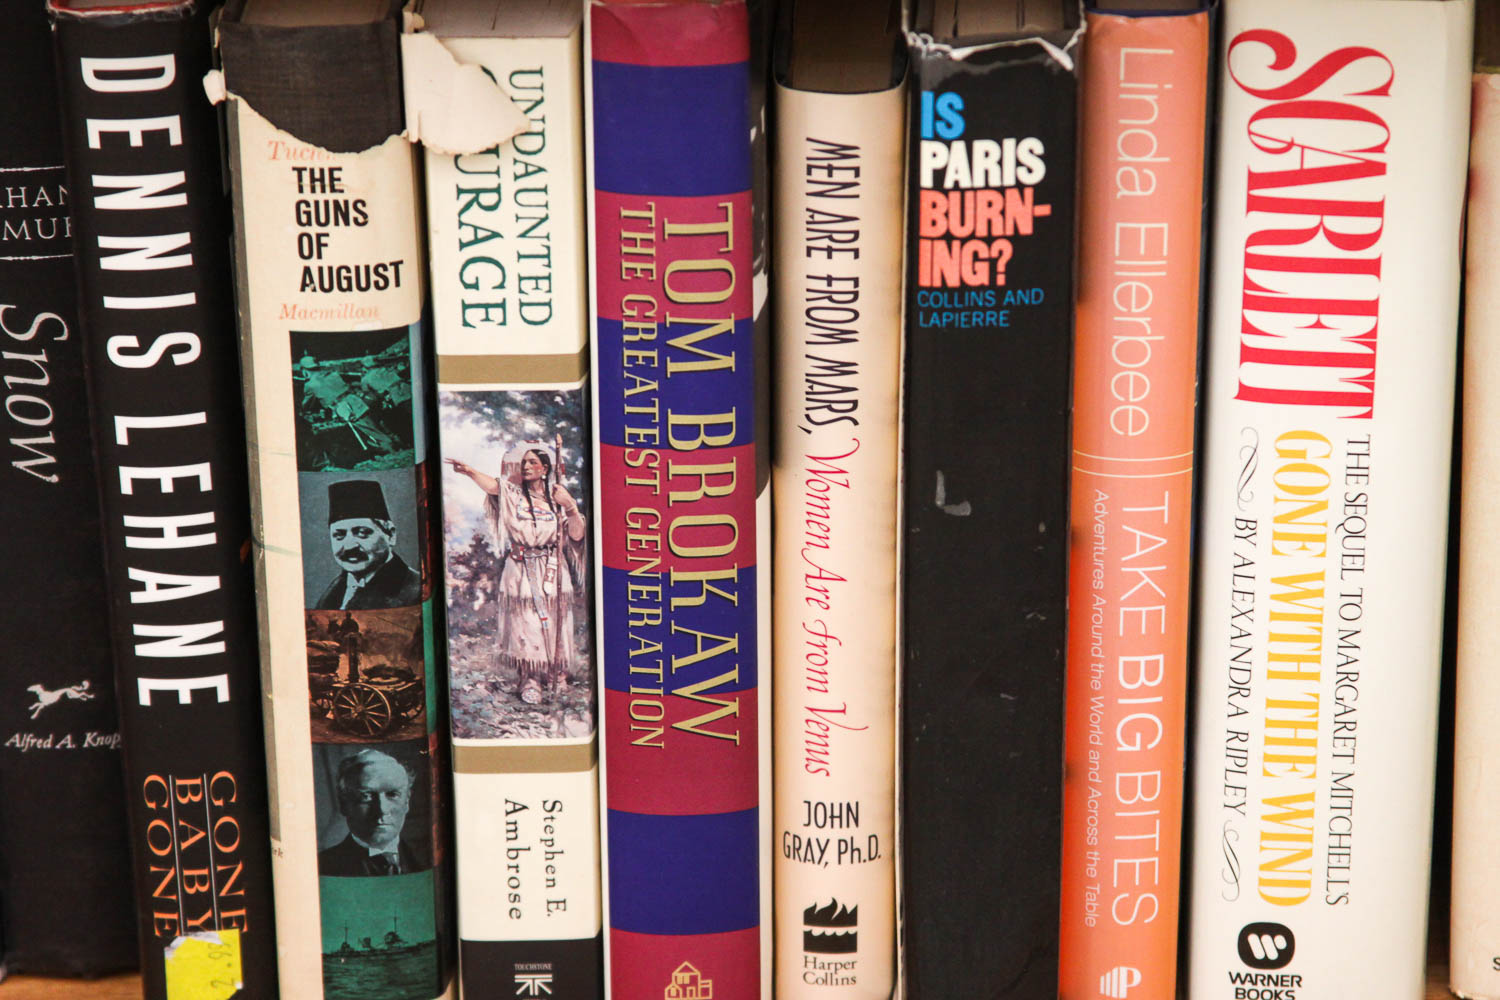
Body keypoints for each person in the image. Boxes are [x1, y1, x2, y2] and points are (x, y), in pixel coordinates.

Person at [446, 442, 585, 704]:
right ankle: (530, 678)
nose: (527, 466)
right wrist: (469, 471)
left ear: (545, 469)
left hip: (552, 567)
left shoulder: (558, 500)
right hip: (521, 567)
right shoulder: (513, 495)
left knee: (556, 619)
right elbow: (492, 486)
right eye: (524, 463)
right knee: (526, 623)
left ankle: (557, 674)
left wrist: (570, 507)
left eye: (533, 462)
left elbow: (577, 534)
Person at [315, 479, 422, 610]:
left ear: (390, 535)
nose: (349, 546)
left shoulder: (416, 591)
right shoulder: (335, 591)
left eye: (362, 533)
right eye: (339, 535)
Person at [318, 748, 423, 876]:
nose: (382, 810)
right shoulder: (322, 866)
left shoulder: (427, 857)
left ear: (406, 801)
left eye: (393, 794)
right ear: (344, 804)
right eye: (366, 796)